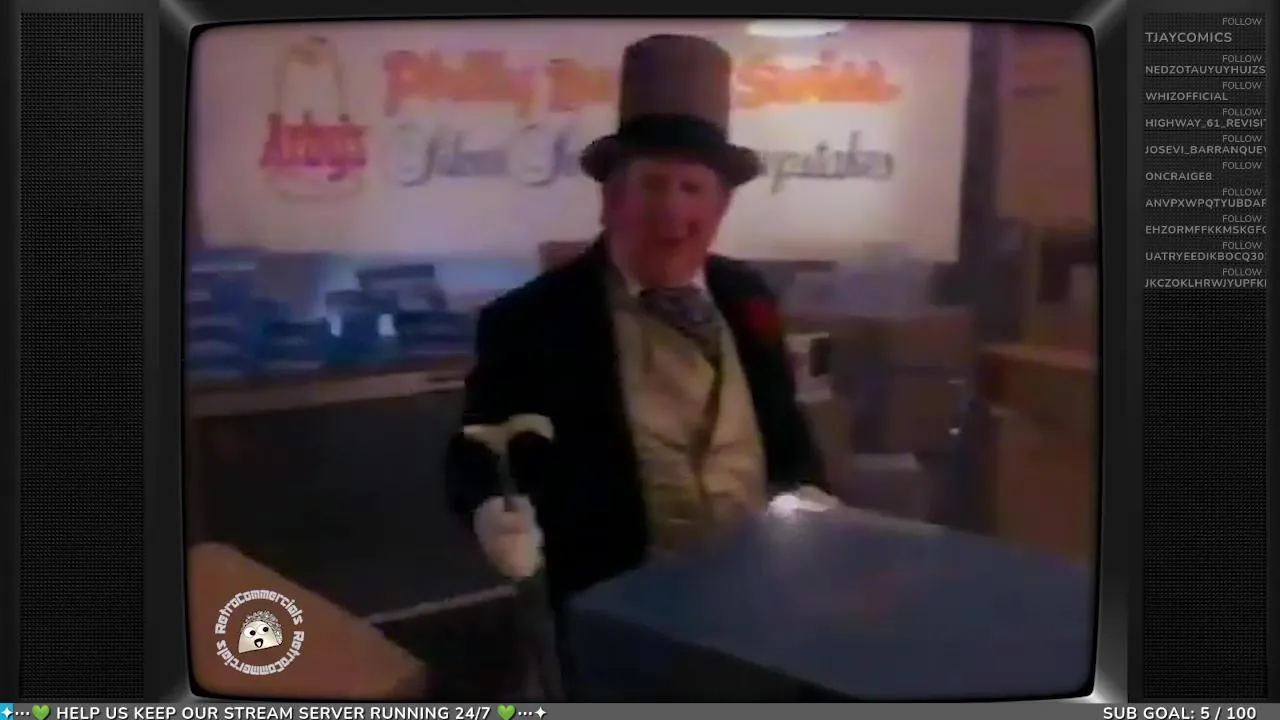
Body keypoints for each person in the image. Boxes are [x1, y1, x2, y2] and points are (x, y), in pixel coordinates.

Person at [444, 33, 840, 619]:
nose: (673, 210)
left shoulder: (746, 294)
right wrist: (488, 511)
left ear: (720, 207)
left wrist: (808, 490)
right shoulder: (532, 317)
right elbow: (477, 450)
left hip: (756, 599)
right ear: (611, 200)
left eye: (692, 188)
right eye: (653, 184)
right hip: (614, 613)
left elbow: (783, 423)